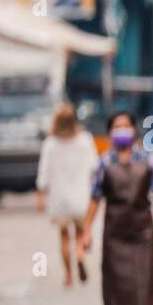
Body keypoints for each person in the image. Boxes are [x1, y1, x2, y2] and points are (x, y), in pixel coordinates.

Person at [80, 112, 153, 305]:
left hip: (143, 229)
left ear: (134, 130)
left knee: (144, 280)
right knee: (117, 282)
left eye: (126, 126)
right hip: (115, 231)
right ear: (110, 132)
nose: (122, 131)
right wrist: (86, 230)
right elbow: (95, 198)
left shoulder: (148, 160)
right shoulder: (103, 163)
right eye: (117, 127)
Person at [36, 102, 97, 287]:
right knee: (80, 232)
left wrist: (40, 194)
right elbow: (94, 167)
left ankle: (69, 276)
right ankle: (80, 253)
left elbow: (44, 172)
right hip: (81, 195)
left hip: (59, 198)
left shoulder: (50, 144)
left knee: (63, 236)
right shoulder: (85, 140)